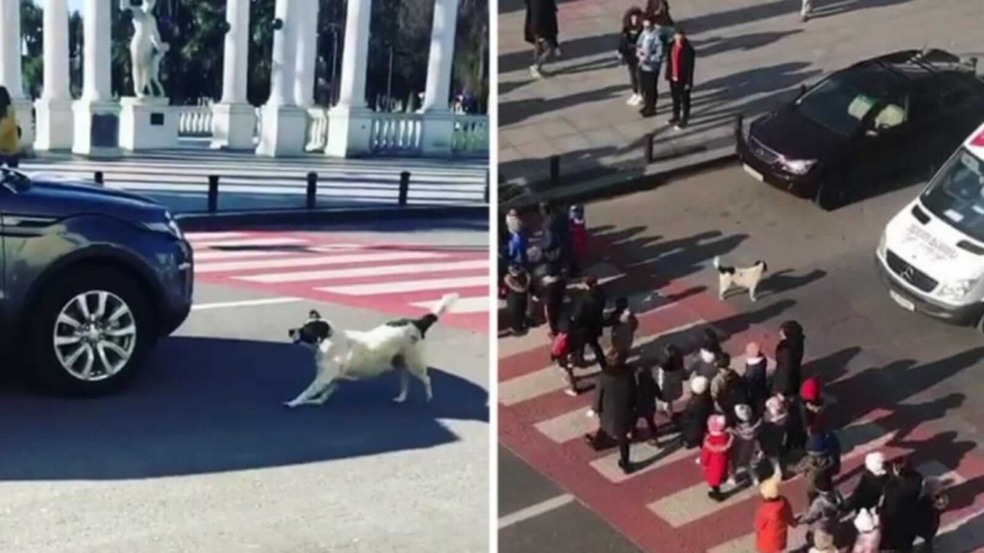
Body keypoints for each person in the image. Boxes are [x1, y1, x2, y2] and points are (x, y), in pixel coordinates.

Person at [585, 351, 637, 474]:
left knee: (604, 426)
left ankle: (597, 443)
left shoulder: (604, 377)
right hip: (624, 410)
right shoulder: (628, 373)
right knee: (623, 438)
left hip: (608, 410)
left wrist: (595, 408)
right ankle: (625, 463)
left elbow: (599, 395)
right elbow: (633, 391)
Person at [772, 320, 806, 450]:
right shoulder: (798, 342)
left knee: (787, 411)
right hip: (794, 380)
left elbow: (785, 371)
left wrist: (781, 391)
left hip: (785, 385)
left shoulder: (786, 350)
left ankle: (792, 439)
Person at [880, 458, 925, 552]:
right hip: (909, 517)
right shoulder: (917, 479)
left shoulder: (893, 488)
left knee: (894, 540)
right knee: (906, 542)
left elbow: (889, 488)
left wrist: (892, 474)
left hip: (894, 519)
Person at [797, 473, 844, 549]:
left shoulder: (819, 503)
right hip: (832, 522)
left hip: (820, 526)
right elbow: (842, 505)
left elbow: (810, 516)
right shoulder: (836, 493)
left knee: (814, 537)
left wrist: (800, 520)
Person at [754, 471, 796, 553]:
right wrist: (794, 523)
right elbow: (789, 516)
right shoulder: (784, 502)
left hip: (766, 540)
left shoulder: (764, 510)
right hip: (780, 537)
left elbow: (758, 526)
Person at [571, 275, 607, 369]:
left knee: (581, 344)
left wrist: (575, 324)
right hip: (595, 324)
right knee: (594, 345)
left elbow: (578, 314)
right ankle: (603, 364)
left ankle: (579, 360)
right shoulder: (600, 293)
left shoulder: (584, 299)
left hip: (584, 327)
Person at [664, 27, 695, 130]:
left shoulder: (688, 50)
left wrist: (689, 82)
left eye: (680, 35)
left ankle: (684, 120)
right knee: (675, 98)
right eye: (676, 35)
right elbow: (670, 61)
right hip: (673, 76)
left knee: (685, 100)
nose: (678, 37)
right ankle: (675, 116)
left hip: (683, 78)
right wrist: (668, 74)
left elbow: (690, 68)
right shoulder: (671, 46)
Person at [634, 16, 664, 118]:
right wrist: (639, 53)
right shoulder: (644, 33)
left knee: (651, 88)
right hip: (643, 65)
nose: (646, 28)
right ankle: (647, 105)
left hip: (652, 67)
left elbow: (659, 54)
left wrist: (648, 58)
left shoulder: (656, 36)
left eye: (648, 26)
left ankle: (652, 108)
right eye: (644, 26)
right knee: (645, 87)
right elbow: (638, 44)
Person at [616, 7, 645, 107]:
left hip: (638, 55)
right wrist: (620, 51)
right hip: (629, 56)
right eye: (632, 18)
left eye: (636, 18)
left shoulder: (642, 30)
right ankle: (635, 92)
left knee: (639, 76)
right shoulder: (626, 29)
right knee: (632, 75)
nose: (634, 20)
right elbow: (622, 41)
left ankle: (641, 94)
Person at [795, 433, 836, 504]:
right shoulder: (829, 459)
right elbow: (833, 464)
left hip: (812, 484)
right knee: (830, 498)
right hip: (825, 482)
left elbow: (797, 469)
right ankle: (833, 506)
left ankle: (812, 508)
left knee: (812, 498)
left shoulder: (807, 460)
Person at [700, 414, 733, 502]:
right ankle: (717, 490)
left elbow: (705, 456)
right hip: (723, 462)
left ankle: (717, 495)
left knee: (714, 481)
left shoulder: (710, 442)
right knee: (720, 477)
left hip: (713, 466)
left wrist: (703, 463)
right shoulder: (726, 437)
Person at [524, 0, 560, 78]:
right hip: (542, 26)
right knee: (549, 49)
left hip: (539, 24)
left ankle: (537, 67)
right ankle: (536, 67)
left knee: (540, 46)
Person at [731, 403, 763, 486]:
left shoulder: (738, 430)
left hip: (738, 451)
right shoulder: (753, 428)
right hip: (749, 450)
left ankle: (733, 478)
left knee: (734, 465)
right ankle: (755, 478)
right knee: (747, 464)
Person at [710, 353, 746, 424]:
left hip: (724, 403)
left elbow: (714, 396)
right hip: (733, 400)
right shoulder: (732, 372)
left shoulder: (717, 380)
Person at [760, 395, 789, 479]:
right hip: (779, 439)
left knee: (772, 456)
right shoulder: (784, 415)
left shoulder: (769, 420)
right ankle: (780, 471)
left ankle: (778, 472)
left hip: (770, 440)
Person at [681, 375, 713, 448]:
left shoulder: (693, 404)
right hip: (705, 427)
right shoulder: (708, 399)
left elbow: (685, 419)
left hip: (695, 430)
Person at [657, 343, 685, 424]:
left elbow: (661, 380)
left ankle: (671, 415)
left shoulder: (664, 370)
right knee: (670, 400)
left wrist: (659, 390)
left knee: (667, 402)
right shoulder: (679, 366)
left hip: (667, 388)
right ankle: (671, 414)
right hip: (676, 386)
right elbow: (684, 375)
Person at [633, 363, 661, 444]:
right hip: (650, 407)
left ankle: (634, 433)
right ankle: (654, 437)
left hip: (639, 407)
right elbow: (659, 394)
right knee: (651, 422)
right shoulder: (652, 383)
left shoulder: (636, 385)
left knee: (633, 420)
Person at [504, 265, 531, 335]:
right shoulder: (507, 278)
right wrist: (523, 289)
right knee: (515, 311)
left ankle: (521, 324)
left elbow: (527, 280)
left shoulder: (525, 275)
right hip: (514, 295)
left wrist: (523, 289)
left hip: (521, 295)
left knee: (522, 309)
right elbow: (511, 286)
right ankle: (516, 326)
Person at [744, 342, 770, 416]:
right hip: (762, 385)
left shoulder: (751, 368)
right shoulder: (763, 361)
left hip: (754, 389)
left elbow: (749, 379)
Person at [0, 86, 20, 168]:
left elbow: (3, 128)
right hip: (8, 149)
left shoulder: (9, 111)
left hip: (10, 150)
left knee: (13, 174)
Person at [542, 271, 567, 338]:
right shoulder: (560, 281)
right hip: (558, 300)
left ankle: (555, 332)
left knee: (552, 318)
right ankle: (560, 329)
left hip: (550, 303)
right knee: (558, 315)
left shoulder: (546, 284)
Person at [568, 204, 587, 277]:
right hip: (575, 243)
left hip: (578, 242)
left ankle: (574, 271)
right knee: (574, 258)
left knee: (576, 257)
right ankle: (574, 271)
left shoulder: (578, 222)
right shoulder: (572, 222)